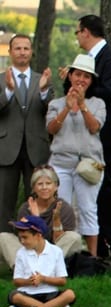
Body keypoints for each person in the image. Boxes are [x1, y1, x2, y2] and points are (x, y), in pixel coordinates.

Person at [69, 15, 111, 264]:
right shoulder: (85, 61)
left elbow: (110, 91)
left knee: (102, 188)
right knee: (87, 188)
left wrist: (85, 90)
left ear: (86, 32)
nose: (77, 37)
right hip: (81, 134)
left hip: (102, 134)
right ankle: (98, 245)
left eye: (77, 32)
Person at [46, 54, 106, 256]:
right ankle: (63, 255)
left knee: (88, 208)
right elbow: (52, 129)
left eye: (86, 76)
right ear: (69, 76)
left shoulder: (97, 103)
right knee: (62, 210)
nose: (81, 79)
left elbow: (94, 127)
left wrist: (81, 105)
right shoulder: (56, 103)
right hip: (61, 163)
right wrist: (66, 107)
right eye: (78, 74)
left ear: (91, 81)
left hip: (88, 165)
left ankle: (92, 257)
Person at [0, 34, 51, 237]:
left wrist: (45, 91)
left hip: (35, 149)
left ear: (31, 52)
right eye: (18, 48)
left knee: (38, 199)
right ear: (10, 52)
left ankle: (37, 245)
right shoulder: (0, 79)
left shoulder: (43, 79)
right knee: (4, 201)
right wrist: (9, 92)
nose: (22, 52)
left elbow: (51, 109)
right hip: (6, 148)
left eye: (26, 48)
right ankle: (4, 248)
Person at [0, 166, 84, 268]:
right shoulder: (26, 208)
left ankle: (39, 267)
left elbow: (57, 241)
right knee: (3, 237)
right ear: (34, 188)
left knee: (74, 237)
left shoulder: (64, 208)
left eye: (48, 183)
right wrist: (36, 219)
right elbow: (25, 238)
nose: (44, 187)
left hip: (53, 250)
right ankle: (25, 267)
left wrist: (56, 219)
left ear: (56, 186)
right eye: (40, 184)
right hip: (30, 249)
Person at [6, 215, 75, 307]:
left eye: (25, 237)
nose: (22, 241)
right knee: (14, 296)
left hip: (50, 293)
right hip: (27, 293)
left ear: (38, 236)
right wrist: (29, 281)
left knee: (70, 294)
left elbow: (62, 281)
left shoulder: (56, 251)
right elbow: (16, 281)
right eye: (20, 238)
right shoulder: (21, 253)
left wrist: (43, 279)